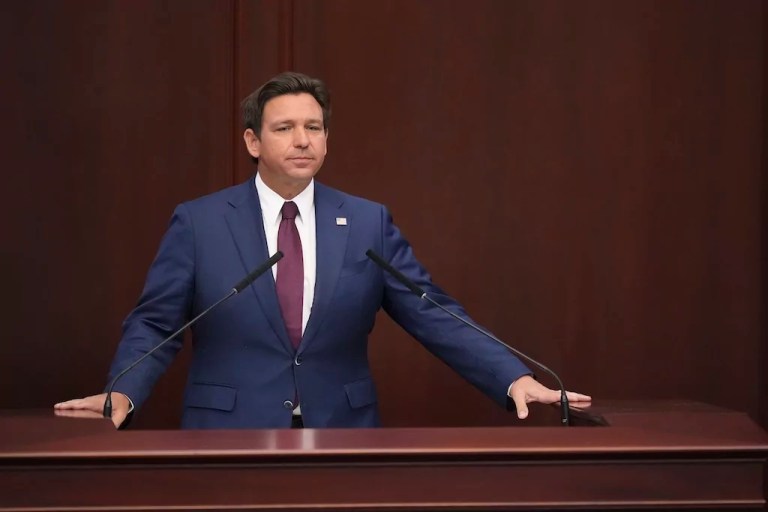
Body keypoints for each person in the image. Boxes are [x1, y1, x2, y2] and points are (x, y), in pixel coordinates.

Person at [55, 72, 591, 429]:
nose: (302, 140)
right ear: (252, 142)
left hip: (342, 431)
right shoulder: (200, 222)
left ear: (328, 139)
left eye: (314, 127)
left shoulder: (366, 222)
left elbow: (434, 313)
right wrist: (121, 393)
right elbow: (156, 323)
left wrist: (512, 376)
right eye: (284, 128)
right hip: (228, 435)